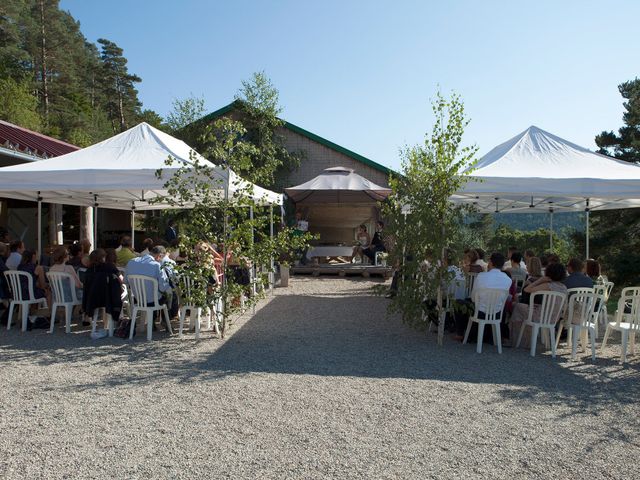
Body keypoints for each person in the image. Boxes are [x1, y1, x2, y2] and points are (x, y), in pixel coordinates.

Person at [453, 252, 512, 342]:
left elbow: (473, 298)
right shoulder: (508, 279)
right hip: (497, 313)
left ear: (491, 263)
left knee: (459, 303)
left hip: (480, 312)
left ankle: (460, 333)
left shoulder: (481, 276)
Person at [509, 262, 568, 348]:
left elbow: (527, 289)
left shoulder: (547, 285)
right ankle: (528, 339)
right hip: (554, 318)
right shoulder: (564, 288)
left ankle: (519, 340)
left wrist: (540, 280)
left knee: (518, 307)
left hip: (540, 317)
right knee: (525, 310)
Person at [125, 246, 172, 316]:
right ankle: (166, 320)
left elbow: (125, 281)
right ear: (159, 256)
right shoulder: (157, 265)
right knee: (169, 293)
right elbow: (163, 287)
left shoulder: (131, 262)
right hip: (153, 301)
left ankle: (151, 322)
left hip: (137, 299)